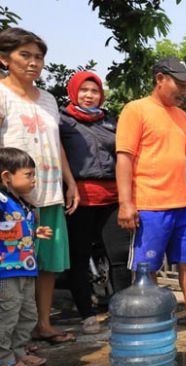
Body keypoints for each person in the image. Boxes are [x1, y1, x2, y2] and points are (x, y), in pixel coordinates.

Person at [116, 57, 186, 334]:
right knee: (146, 266)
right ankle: (151, 319)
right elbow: (124, 158)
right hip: (150, 205)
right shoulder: (136, 109)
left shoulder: (182, 117)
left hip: (183, 206)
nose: (184, 91)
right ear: (160, 79)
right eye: (180, 83)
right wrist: (126, 203)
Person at [0, 28, 78, 344]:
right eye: (25, 55)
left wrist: (70, 182)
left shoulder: (47, 98)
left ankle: (42, 325)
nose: (34, 63)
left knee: (46, 263)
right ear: (4, 58)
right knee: (14, 268)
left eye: (39, 57)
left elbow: (56, 142)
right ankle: (12, 342)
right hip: (12, 200)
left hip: (48, 191)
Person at [60, 71, 131, 334]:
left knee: (120, 256)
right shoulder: (61, 121)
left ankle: (121, 309)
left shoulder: (109, 121)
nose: (89, 96)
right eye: (84, 91)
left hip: (112, 197)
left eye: (94, 91)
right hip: (79, 196)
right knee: (78, 256)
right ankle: (87, 314)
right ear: (73, 92)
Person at [0, 148, 53, 366]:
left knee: (27, 313)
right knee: (8, 316)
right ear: (6, 177)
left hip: (26, 268)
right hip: (5, 271)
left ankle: (19, 351)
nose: (33, 180)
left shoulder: (23, 203)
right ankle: (4, 359)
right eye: (28, 174)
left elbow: (15, 229)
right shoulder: (2, 202)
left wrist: (34, 232)